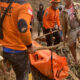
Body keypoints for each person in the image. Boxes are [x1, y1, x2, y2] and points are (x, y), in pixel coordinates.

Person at [0, 0, 35, 80]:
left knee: (5, 74)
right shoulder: (24, 6)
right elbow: (23, 28)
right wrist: (29, 45)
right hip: (18, 50)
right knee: (24, 75)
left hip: (2, 49)